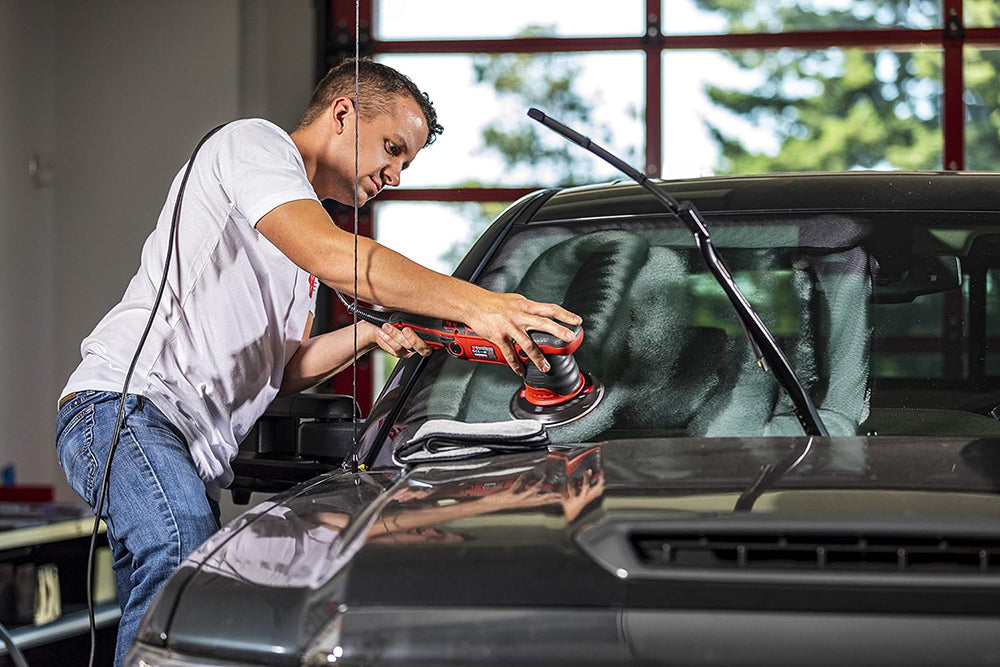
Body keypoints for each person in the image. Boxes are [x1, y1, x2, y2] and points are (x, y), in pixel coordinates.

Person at [54, 57, 581, 665]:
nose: (396, 174)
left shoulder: (300, 247)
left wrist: (368, 336)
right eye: (392, 149)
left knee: (182, 583)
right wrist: (479, 306)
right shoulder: (252, 146)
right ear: (341, 114)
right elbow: (338, 256)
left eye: (406, 163)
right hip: (122, 408)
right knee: (178, 550)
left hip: (180, 441)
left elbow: (283, 371)